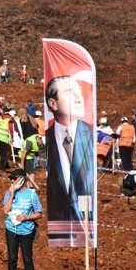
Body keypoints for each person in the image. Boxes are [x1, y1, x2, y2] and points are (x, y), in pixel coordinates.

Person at [44, 76, 95, 246]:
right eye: (70, 92)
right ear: (53, 104)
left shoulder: (92, 136)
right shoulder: (47, 139)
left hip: (86, 225)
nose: (79, 98)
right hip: (59, 227)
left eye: (79, 92)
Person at [2, 169, 43, 270]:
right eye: (11, 179)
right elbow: (5, 211)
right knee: (12, 257)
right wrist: (11, 194)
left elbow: (39, 213)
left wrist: (26, 217)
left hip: (26, 231)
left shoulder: (32, 194)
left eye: (14, 179)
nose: (12, 181)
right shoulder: (9, 193)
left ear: (22, 179)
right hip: (11, 229)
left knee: (27, 258)